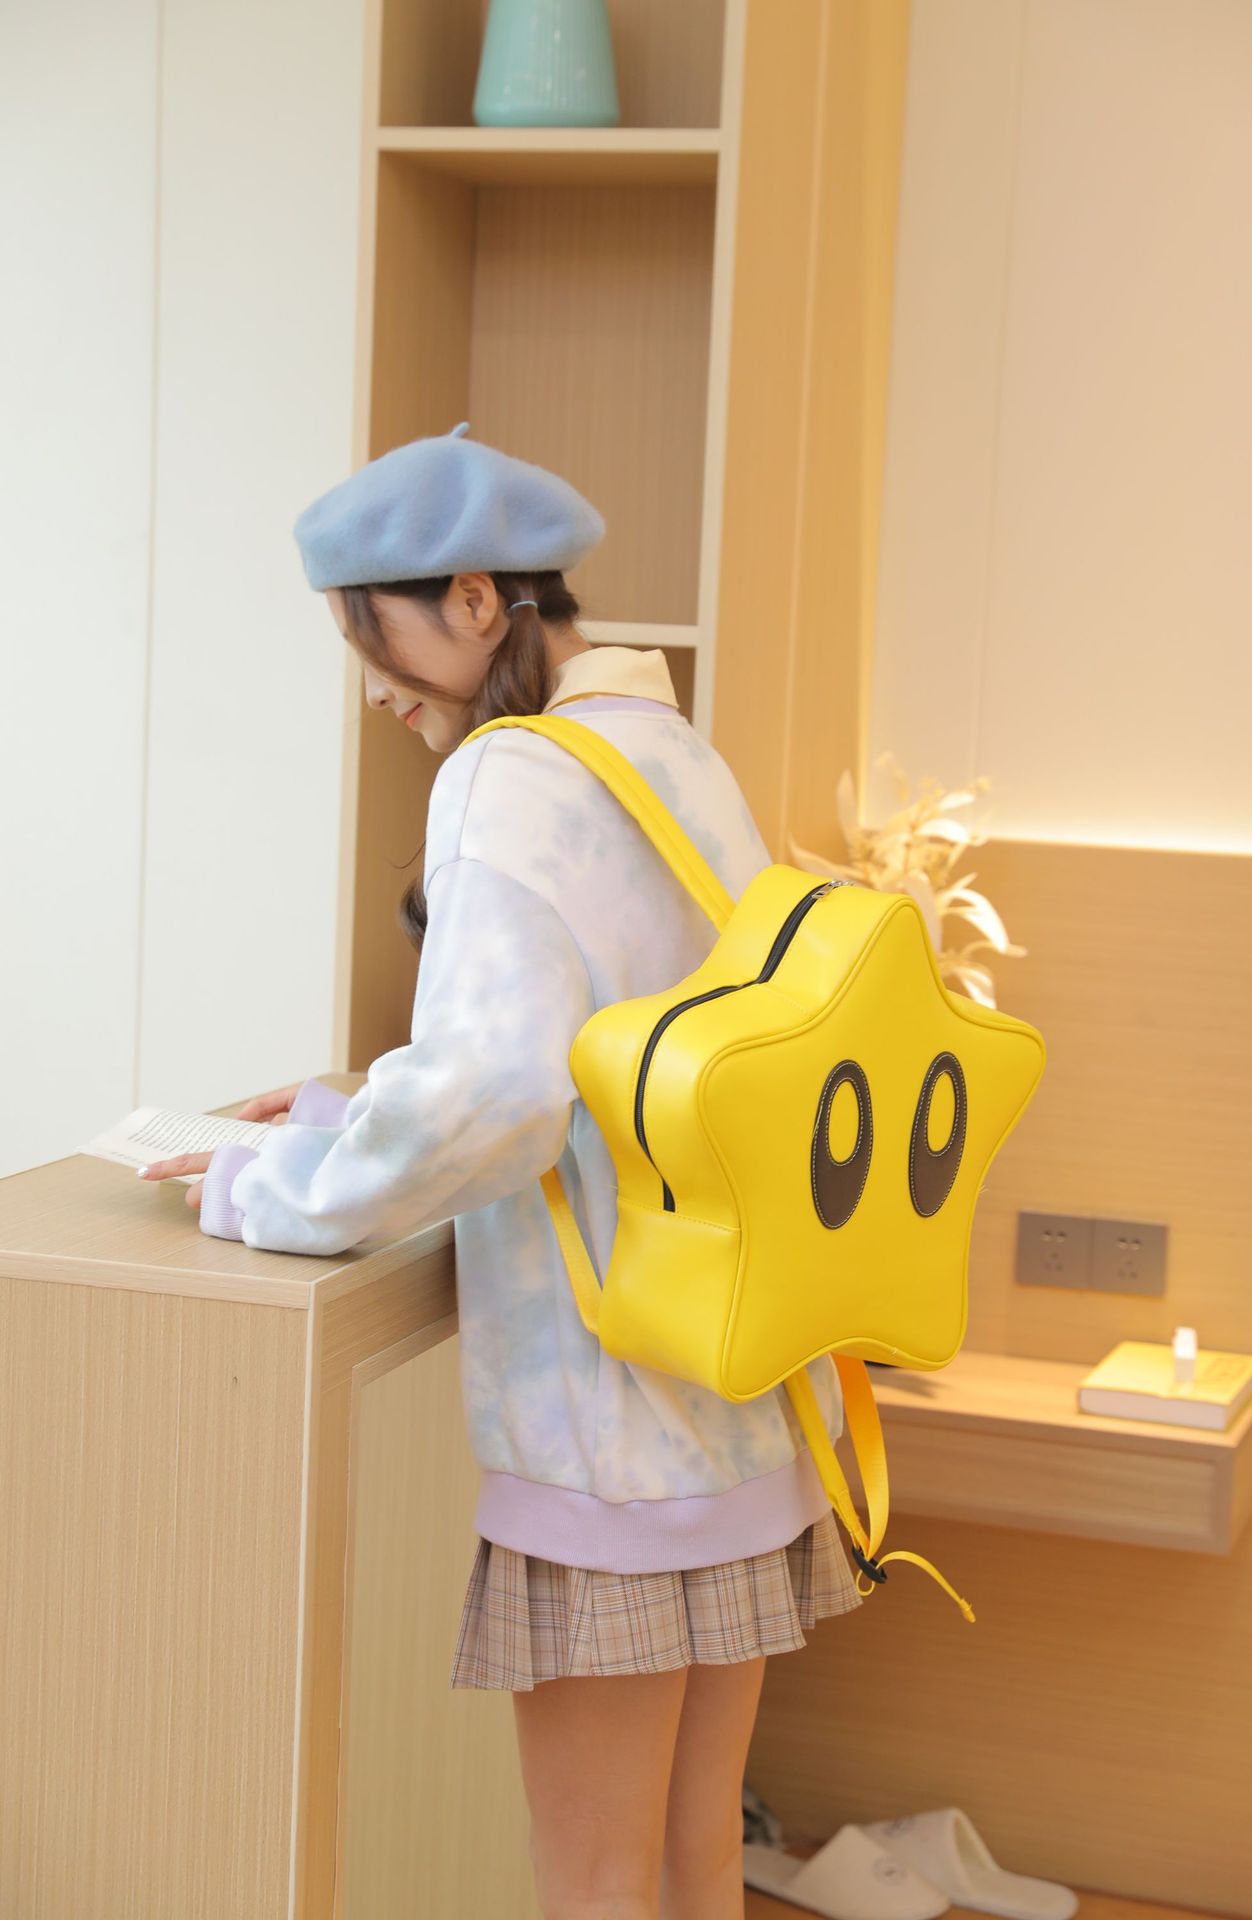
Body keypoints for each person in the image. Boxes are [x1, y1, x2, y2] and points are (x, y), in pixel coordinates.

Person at [137, 422, 862, 1920]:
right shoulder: (674, 752)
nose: (372, 685)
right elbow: (610, 1043)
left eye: (373, 634)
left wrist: (260, 1186)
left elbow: (503, 1096)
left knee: (590, 1884)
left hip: (605, 1427)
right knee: (690, 1867)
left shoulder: (508, 776)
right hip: (740, 1408)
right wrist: (349, 1109)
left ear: (474, 601)